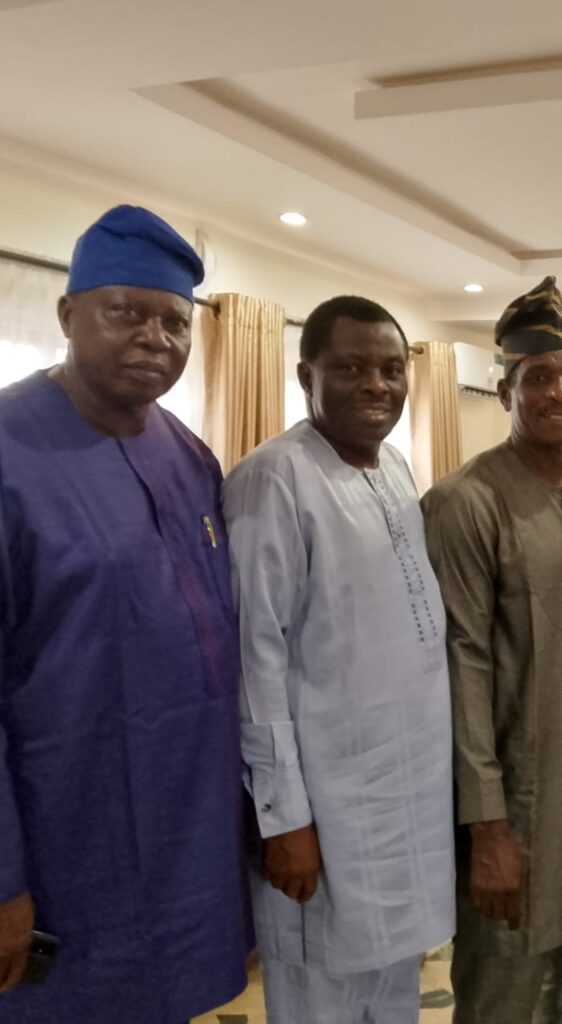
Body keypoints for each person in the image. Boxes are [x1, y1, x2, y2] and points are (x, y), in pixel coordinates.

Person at [0, 205, 250, 1023]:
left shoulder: (189, 454)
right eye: (126, 313)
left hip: (188, 830)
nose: (155, 338)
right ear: (67, 314)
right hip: (62, 838)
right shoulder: (9, 454)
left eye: (174, 322)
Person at [222, 295, 455, 1024]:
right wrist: (283, 818)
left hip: (403, 802)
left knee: (392, 992)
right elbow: (255, 660)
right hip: (323, 809)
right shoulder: (274, 478)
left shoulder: (396, 468)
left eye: (391, 369)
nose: (376, 385)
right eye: (351, 368)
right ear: (306, 375)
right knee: (320, 993)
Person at [422, 276, 562, 1024]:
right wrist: (488, 831)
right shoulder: (464, 502)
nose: (560, 393)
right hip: (514, 811)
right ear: (505, 390)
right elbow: (460, 667)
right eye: (538, 377)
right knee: (504, 998)